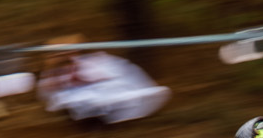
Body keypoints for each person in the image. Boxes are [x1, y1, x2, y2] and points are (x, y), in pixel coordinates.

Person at [40, 51, 170, 125]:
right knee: (87, 99)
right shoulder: (55, 76)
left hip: (101, 91)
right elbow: (52, 91)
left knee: (109, 95)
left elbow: (103, 76)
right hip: (84, 96)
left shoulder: (92, 62)